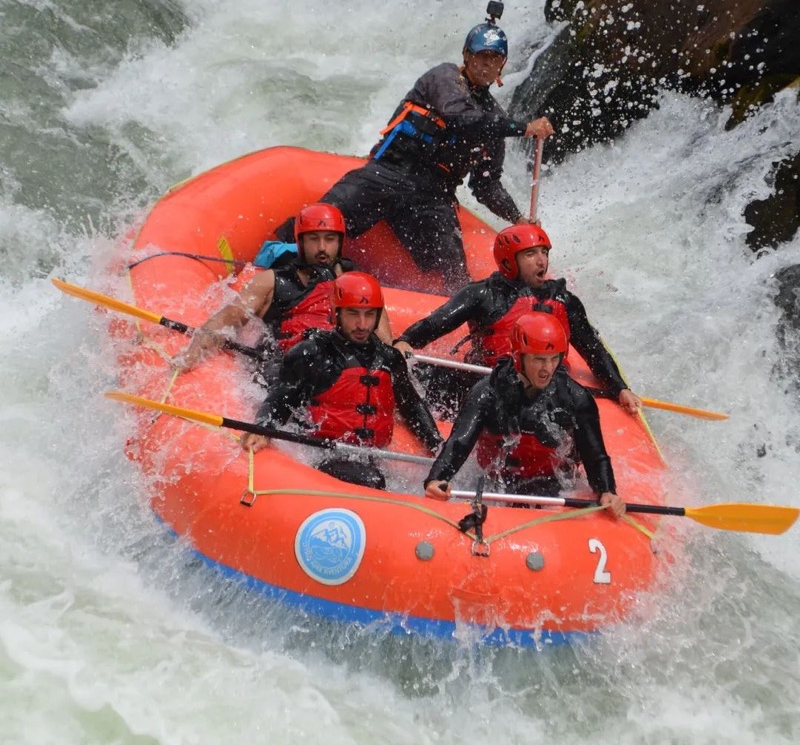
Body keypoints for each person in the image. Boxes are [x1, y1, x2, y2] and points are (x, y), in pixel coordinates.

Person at [318, 4, 555, 293]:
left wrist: (517, 218)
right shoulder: (444, 78)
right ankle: (278, 264)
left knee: (455, 276)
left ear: (501, 66)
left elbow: (485, 185)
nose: (485, 64)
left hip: (433, 197)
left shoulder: (494, 121)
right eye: (480, 56)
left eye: (494, 60)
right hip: (389, 172)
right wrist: (524, 128)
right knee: (322, 221)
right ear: (466, 56)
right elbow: (459, 118)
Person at [393, 222, 642, 416]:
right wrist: (407, 340)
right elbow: (438, 322)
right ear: (509, 260)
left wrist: (620, 388)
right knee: (412, 376)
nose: (541, 261)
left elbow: (593, 349)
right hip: (488, 379)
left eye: (544, 252)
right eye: (531, 254)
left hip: (545, 386)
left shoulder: (564, 301)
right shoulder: (482, 293)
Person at [241, 272, 443, 490]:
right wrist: (263, 427)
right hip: (320, 452)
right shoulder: (313, 353)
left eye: (369, 315)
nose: (362, 324)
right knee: (372, 480)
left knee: (374, 478)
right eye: (353, 314)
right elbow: (282, 397)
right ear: (336, 313)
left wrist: (437, 446)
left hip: (368, 456)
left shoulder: (389, 359)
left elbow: (411, 406)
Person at [423, 312, 626, 517]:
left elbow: (595, 456)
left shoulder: (576, 398)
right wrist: (437, 478)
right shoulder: (487, 393)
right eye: (539, 360)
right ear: (518, 357)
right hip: (495, 480)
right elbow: (459, 442)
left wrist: (607, 490)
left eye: (554, 359)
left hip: (553, 483)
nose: (547, 369)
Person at [176, 203, 391, 369]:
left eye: (330, 239)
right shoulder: (270, 282)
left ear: (340, 242)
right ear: (300, 242)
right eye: (314, 239)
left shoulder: (362, 286)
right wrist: (193, 352)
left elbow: (385, 345)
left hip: (345, 371)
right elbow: (225, 320)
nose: (322, 247)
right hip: (290, 370)